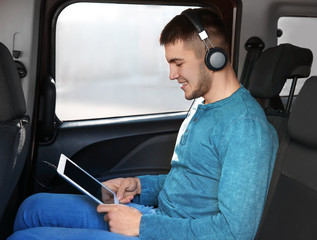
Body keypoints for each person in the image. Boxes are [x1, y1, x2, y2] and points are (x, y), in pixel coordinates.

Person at [8, 8, 278, 240]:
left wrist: (141, 225)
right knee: (33, 208)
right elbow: (191, 183)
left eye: (178, 63)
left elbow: (235, 233)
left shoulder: (246, 128)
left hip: (162, 229)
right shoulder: (205, 105)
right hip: (160, 219)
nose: (172, 75)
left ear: (213, 57)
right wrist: (139, 186)